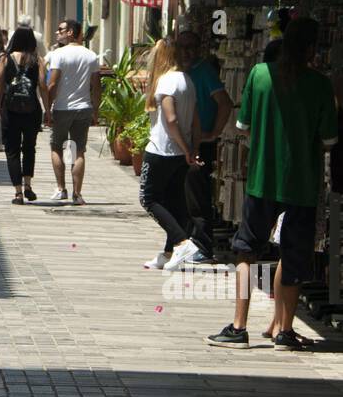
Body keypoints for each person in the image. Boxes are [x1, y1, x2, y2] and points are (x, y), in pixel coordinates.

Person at [208, 18, 338, 352]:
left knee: (245, 250)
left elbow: (242, 125)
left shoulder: (259, 75)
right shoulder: (321, 86)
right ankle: (285, 330)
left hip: (261, 180)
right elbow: (328, 139)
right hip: (302, 184)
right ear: (311, 49)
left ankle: (238, 326)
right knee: (293, 255)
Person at [139, 39, 202, 273]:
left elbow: (171, 119)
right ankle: (168, 253)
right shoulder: (187, 81)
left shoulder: (165, 81)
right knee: (174, 201)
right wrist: (192, 149)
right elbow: (196, 121)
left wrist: (187, 149)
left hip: (161, 149)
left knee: (149, 198)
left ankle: (182, 242)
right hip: (178, 153)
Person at [176, 29, 234, 264]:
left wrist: (214, 132)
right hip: (182, 142)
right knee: (184, 195)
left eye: (191, 47)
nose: (187, 52)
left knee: (197, 196)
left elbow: (225, 103)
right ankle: (188, 241)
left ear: (199, 48)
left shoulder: (204, 71)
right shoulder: (179, 72)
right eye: (183, 47)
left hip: (199, 143)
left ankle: (203, 246)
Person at [45, 19, 102, 204]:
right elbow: (97, 86)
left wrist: (47, 107)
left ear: (71, 32)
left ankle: (61, 188)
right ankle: (77, 194)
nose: (58, 32)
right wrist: (96, 111)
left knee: (56, 147)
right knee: (79, 151)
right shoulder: (91, 56)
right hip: (84, 108)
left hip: (62, 108)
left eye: (61, 29)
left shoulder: (59, 54)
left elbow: (52, 84)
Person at [0, 26, 48, 203]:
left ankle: (17, 193)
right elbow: (42, 85)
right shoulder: (38, 60)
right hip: (32, 110)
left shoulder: (5, 59)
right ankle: (28, 186)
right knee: (29, 148)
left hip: (10, 110)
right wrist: (48, 109)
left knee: (12, 151)